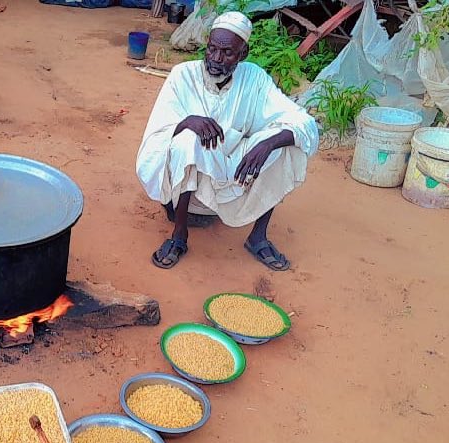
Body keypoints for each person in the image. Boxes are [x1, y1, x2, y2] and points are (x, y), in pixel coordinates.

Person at [136, 11, 319, 270]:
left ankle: (258, 237)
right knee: (187, 140)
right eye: (211, 49)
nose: (216, 59)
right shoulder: (182, 75)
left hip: (235, 166)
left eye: (227, 53)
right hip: (189, 182)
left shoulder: (253, 78)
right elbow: (157, 132)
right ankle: (179, 235)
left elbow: (302, 121)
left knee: (287, 143)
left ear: (242, 54)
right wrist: (188, 122)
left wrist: (266, 145)